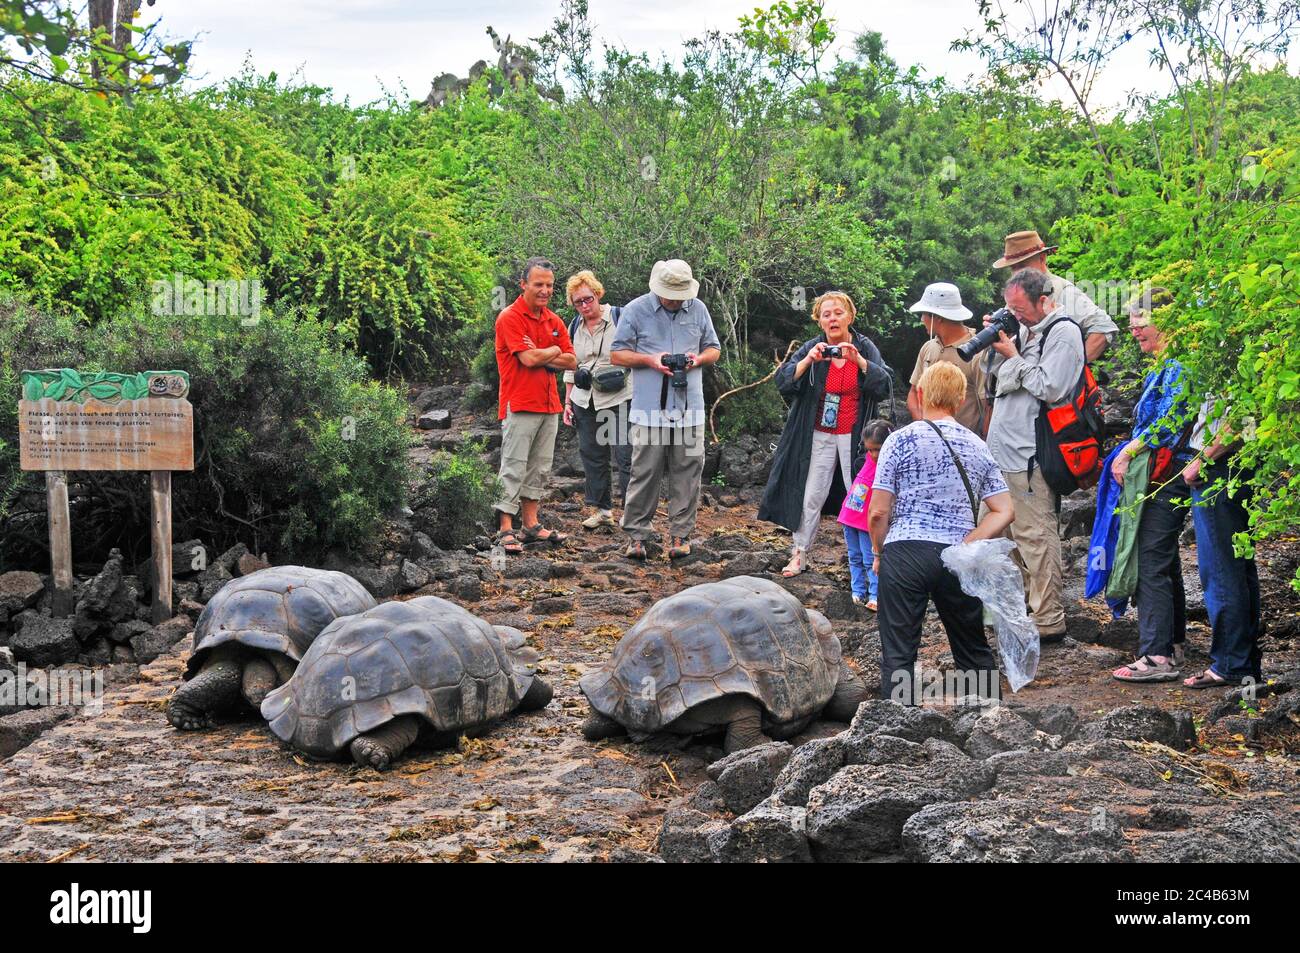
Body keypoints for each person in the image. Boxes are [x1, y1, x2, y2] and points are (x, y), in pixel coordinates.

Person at [867, 362, 1015, 703]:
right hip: (957, 556)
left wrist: (878, 553)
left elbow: (878, 511)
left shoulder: (899, 440)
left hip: (906, 550)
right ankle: (987, 717)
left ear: (920, 393)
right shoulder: (977, 445)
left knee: (899, 651)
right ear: (960, 397)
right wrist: (970, 540)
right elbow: (1004, 510)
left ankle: (899, 725)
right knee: (972, 645)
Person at [757, 291, 893, 578]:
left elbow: (884, 385)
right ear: (819, 321)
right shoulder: (813, 347)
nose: (833, 318)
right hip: (817, 432)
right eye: (826, 314)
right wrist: (808, 360)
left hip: (855, 436)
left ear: (850, 316)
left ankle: (872, 559)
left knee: (861, 495)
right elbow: (783, 381)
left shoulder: (864, 347)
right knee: (811, 495)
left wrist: (860, 363)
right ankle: (799, 553)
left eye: (838, 312)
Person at [984, 268, 1085, 643]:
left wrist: (1013, 354)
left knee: (1036, 538)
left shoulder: (1063, 332)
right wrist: (1001, 342)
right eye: (1009, 307)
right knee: (1000, 539)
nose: (1016, 314)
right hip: (1000, 456)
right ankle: (1017, 611)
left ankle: (1048, 621)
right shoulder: (1024, 331)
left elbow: (1052, 387)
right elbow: (996, 383)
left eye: (1019, 308)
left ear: (1043, 300)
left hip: (1030, 456)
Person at [1109, 288, 1195, 683]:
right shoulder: (1167, 362)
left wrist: (1130, 449)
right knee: (1165, 557)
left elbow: (1171, 420)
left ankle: (1157, 656)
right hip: (1169, 472)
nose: (1134, 331)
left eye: (1139, 323)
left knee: (1150, 559)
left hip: (1166, 474)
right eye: (1131, 325)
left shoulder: (1177, 364)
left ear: (1166, 322)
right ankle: (1173, 643)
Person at [610, 259, 721, 561]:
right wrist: (650, 360)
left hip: (690, 408)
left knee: (688, 472)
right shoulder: (635, 309)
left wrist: (695, 360)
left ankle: (681, 535)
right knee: (644, 472)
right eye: (670, 292)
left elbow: (714, 347)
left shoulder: (698, 308)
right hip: (648, 407)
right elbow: (617, 354)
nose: (675, 298)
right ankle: (636, 536)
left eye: (680, 293)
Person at [492, 256, 576, 554]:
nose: (545, 290)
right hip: (520, 403)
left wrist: (544, 353)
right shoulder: (509, 317)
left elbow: (572, 360)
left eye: (550, 285)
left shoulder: (554, 320)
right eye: (538, 284)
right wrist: (553, 351)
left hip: (549, 404)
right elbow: (526, 360)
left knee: (539, 467)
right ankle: (504, 528)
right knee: (513, 464)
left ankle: (530, 524)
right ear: (523, 284)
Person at [1180, 411, 1262, 689]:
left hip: (1219, 466)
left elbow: (1241, 417)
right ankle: (1243, 663)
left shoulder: (1230, 367)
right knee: (1238, 566)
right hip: (1236, 463)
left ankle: (1230, 664)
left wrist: (1201, 460)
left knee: (1221, 569)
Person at [561, 270, 633, 530]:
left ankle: (632, 511)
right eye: (578, 302)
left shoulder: (620, 318)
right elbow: (571, 366)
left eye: (588, 299)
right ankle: (602, 510)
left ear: (598, 294)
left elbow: (637, 353)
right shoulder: (573, 327)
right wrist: (567, 403)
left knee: (626, 455)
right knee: (592, 455)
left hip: (619, 396)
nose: (584, 306)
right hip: (585, 400)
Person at [993, 230, 1119, 363]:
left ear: (1042, 259)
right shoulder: (1016, 296)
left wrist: (1072, 368)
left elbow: (1103, 327)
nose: (1017, 273)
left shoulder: (1063, 291)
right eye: (1013, 268)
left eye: (1023, 266)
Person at [905, 282, 987, 434]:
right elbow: (913, 394)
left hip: (962, 447)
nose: (922, 319)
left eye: (924, 314)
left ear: (937, 317)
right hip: (926, 441)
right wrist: (925, 428)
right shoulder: (928, 347)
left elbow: (988, 407)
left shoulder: (977, 352)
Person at [839, 420, 894, 611]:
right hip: (850, 514)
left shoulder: (890, 463)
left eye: (877, 449)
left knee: (870, 558)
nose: (874, 454)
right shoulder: (867, 460)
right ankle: (857, 591)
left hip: (867, 521)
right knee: (854, 556)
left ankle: (875, 594)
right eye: (870, 450)